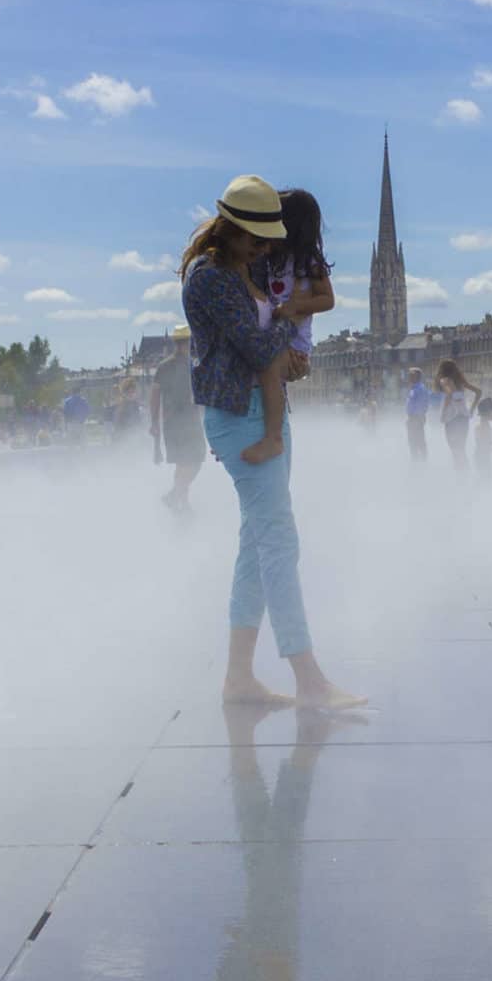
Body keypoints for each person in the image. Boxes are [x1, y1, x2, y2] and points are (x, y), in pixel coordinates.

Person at [180, 174, 362, 711]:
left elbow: (274, 342)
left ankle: (239, 678)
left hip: (265, 411)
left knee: (255, 548)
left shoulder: (243, 267)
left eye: (270, 240)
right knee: (280, 543)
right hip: (239, 417)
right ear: (232, 231)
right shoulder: (211, 279)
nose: (267, 249)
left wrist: (292, 361)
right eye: (258, 239)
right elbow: (259, 346)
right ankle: (309, 680)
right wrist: (286, 331)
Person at [242, 187, 334, 466]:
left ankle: (272, 438)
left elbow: (328, 300)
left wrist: (295, 308)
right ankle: (243, 434)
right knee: (269, 377)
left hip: (296, 340)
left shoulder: (309, 262)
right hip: (276, 334)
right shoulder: (270, 258)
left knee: (270, 372)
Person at [150, 325, 207, 513]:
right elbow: (156, 396)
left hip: (176, 421)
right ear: (187, 343)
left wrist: (155, 422)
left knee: (187, 461)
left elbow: (155, 396)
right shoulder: (188, 365)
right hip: (183, 421)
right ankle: (179, 499)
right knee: (191, 461)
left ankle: (178, 499)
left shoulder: (165, 366)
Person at [435, 359, 479, 475]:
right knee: (461, 449)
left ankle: (461, 476)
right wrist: (472, 409)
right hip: (463, 418)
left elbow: (450, 394)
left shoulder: (444, 380)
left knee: (454, 449)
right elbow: (478, 392)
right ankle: (466, 474)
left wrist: (443, 412)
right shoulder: (460, 381)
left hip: (451, 418)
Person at [401, 366, 430, 462]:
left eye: (411, 375)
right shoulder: (414, 388)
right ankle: (416, 461)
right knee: (413, 441)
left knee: (418, 441)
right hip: (413, 418)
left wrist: (418, 419)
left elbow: (423, 404)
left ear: (417, 377)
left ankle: (421, 462)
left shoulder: (420, 388)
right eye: (409, 375)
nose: (408, 377)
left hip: (416, 418)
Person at [473, 394, 492, 479]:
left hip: (482, 457)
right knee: (486, 480)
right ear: (487, 412)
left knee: (486, 479)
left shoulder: (484, 425)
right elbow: (482, 445)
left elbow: (483, 441)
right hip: (482, 458)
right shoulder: (483, 427)